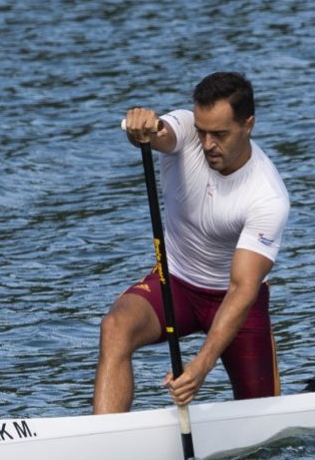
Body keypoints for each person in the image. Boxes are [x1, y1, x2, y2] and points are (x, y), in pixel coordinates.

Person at [94, 72, 289, 414]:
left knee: (264, 422)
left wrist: (200, 367)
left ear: (249, 125)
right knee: (115, 327)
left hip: (234, 304)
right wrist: (141, 127)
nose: (208, 144)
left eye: (220, 134)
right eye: (203, 132)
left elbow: (243, 289)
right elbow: (159, 135)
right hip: (176, 286)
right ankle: (101, 441)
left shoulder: (267, 196)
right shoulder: (185, 130)